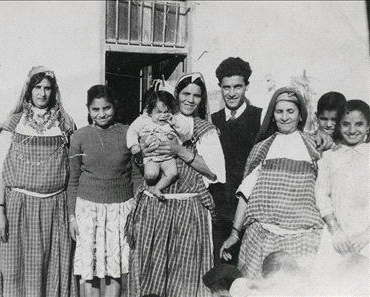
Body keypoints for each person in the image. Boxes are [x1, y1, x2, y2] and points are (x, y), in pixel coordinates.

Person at [126, 72, 225, 297]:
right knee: (152, 269)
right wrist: (143, 152)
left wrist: (180, 151)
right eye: (185, 93)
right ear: (176, 95)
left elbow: (214, 172)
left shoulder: (204, 129)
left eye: (197, 95)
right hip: (155, 206)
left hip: (188, 209)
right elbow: (141, 162)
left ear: (203, 100)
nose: (190, 100)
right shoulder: (155, 120)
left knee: (184, 274)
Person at [0, 66, 77, 296]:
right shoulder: (13, 124)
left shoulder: (65, 125)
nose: (42, 93)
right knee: (14, 270)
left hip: (54, 210)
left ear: (54, 91)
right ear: (28, 90)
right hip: (19, 209)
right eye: (37, 87)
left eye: (47, 88)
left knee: (51, 271)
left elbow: (74, 171)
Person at [219, 87, 325, 278]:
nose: (284, 117)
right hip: (262, 239)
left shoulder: (314, 148)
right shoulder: (263, 148)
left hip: (304, 240)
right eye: (279, 111)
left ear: (300, 115)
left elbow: (326, 193)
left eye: (290, 111)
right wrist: (235, 233)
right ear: (272, 115)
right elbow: (245, 192)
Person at [67, 85, 138, 297]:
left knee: (113, 270)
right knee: (89, 269)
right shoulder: (79, 137)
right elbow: (73, 180)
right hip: (88, 210)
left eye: (106, 108)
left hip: (120, 210)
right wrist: (72, 217)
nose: (101, 114)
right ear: (88, 109)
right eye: (95, 109)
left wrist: (135, 210)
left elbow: (136, 176)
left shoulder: (128, 133)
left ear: (114, 107)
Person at [209, 57, 262, 266]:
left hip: (248, 209)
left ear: (246, 86)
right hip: (218, 210)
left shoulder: (260, 117)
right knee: (219, 270)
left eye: (237, 87)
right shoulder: (211, 120)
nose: (231, 93)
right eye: (226, 87)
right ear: (220, 87)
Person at [315, 99, 369, 259]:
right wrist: (335, 230)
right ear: (339, 125)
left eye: (359, 124)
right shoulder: (330, 156)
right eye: (346, 124)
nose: (352, 130)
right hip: (337, 235)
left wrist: (367, 235)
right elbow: (322, 196)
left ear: (368, 126)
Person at [127, 89, 191, 198]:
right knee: (151, 174)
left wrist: (175, 123)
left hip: (168, 157)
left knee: (172, 174)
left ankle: (157, 188)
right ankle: (150, 187)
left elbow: (185, 131)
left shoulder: (173, 121)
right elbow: (132, 131)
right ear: (150, 112)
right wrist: (134, 145)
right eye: (158, 112)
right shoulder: (144, 120)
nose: (162, 116)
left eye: (166, 112)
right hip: (151, 156)